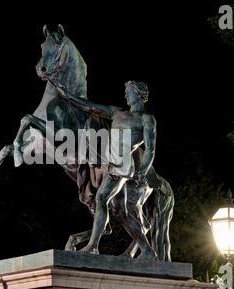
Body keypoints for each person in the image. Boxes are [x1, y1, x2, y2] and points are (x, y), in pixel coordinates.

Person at [49, 77, 157, 258]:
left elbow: (151, 149)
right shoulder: (117, 112)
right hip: (111, 163)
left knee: (101, 198)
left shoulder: (147, 119)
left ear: (138, 94)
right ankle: (147, 250)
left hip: (122, 165)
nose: (126, 95)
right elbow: (90, 106)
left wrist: (142, 171)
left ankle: (93, 245)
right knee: (120, 212)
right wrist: (66, 94)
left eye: (129, 91)